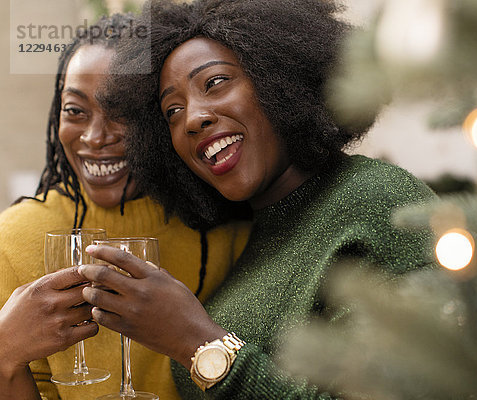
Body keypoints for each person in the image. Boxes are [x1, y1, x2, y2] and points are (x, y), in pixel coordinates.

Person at [79, 0, 436, 398]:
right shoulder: (252, 239)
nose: (193, 118)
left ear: (280, 80)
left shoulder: (378, 201)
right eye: (173, 111)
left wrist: (196, 344)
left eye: (214, 83)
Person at [0, 14, 249, 400]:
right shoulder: (13, 239)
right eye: (75, 110)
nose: (95, 137)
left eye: (121, 112)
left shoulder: (224, 222)